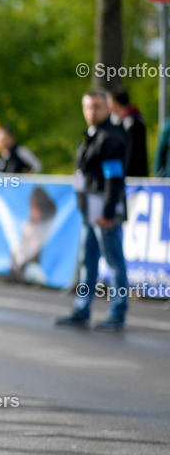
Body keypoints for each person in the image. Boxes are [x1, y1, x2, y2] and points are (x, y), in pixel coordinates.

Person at [56, 90, 129, 332]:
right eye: (88, 107)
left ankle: (117, 312)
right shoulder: (92, 134)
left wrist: (107, 213)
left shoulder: (110, 137)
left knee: (114, 261)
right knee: (87, 262)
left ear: (108, 108)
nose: (92, 111)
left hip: (103, 212)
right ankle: (82, 308)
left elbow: (114, 179)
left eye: (97, 106)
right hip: (90, 211)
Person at [107, 87, 148, 178]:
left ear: (116, 103)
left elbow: (131, 152)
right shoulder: (120, 121)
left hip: (133, 176)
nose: (108, 106)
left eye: (109, 102)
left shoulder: (133, 123)